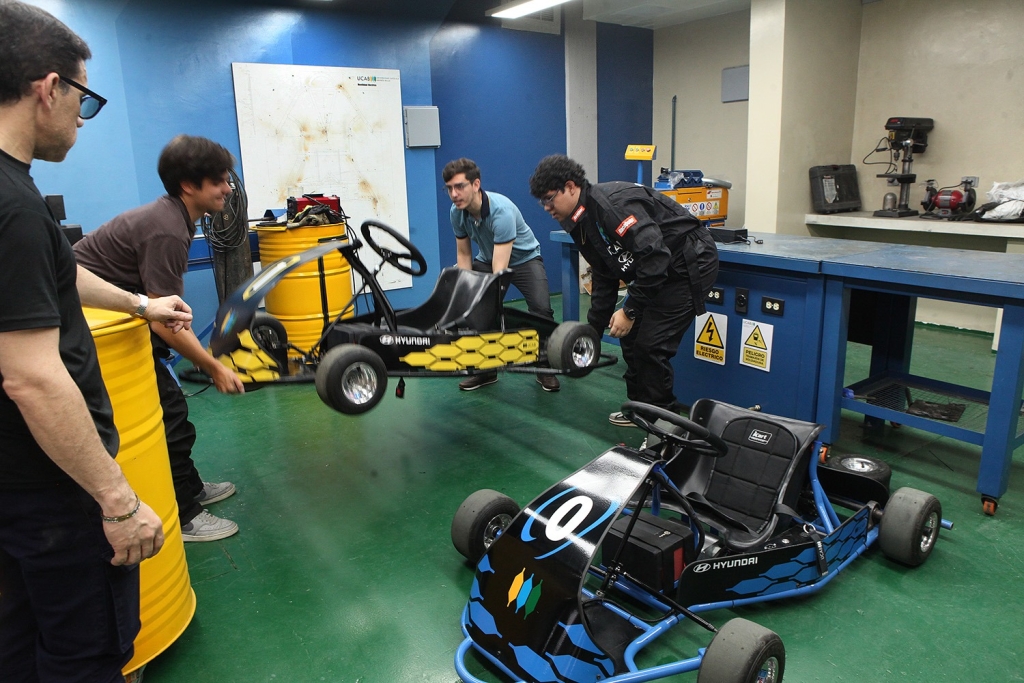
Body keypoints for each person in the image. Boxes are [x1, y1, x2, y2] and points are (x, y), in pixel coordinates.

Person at [0, 3, 194, 681]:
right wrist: (117, 500)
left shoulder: (15, 196)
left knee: (22, 644)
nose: (82, 116)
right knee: (84, 654)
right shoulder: (15, 206)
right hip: (52, 491)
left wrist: (140, 302)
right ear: (48, 89)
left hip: (13, 486)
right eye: (82, 96)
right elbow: (29, 376)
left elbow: (58, 275)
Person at [75, 134, 244, 542]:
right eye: (219, 181)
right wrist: (213, 366)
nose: (228, 188)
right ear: (190, 186)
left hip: (118, 317)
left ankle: (191, 487)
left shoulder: (174, 217)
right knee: (170, 418)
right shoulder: (167, 229)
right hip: (92, 326)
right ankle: (185, 514)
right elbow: (164, 323)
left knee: (173, 415)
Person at [528, 154, 719, 426]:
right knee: (630, 338)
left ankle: (663, 425)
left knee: (651, 345)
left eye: (549, 199)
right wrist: (591, 334)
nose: (546, 207)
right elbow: (605, 272)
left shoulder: (611, 205)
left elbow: (655, 257)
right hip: (657, 268)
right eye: (542, 202)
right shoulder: (578, 219)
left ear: (570, 187)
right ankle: (640, 411)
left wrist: (629, 310)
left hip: (688, 263)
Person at [442, 157, 560, 392]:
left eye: (460, 186)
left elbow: (501, 268)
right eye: (449, 189)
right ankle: (486, 371)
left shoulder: (501, 211)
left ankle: (543, 366)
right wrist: (468, 291)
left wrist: (490, 295)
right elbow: (464, 255)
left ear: (476, 185)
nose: (454, 194)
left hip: (524, 260)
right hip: (487, 259)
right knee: (479, 311)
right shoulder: (457, 212)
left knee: (541, 310)